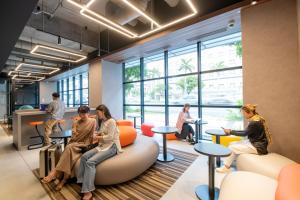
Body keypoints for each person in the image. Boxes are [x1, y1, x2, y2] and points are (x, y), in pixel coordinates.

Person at [41, 106, 96, 190]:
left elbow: (92, 135)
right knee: (69, 153)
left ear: (88, 113)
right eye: (80, 113)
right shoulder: (76, 123)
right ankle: (64, 180)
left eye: (84, 113)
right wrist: (74, 132)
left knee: (68, 148)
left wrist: (92, 147)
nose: (82, 115)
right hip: (74, 143)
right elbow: (73, 138)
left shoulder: (93, 121)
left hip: (84, 145)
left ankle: (55, 173)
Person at [77, 104, 123, 200]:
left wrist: (96, 137)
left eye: (98, 113)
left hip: (112, 146)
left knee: (90, 162)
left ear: (103, 112)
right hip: (102, 145)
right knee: (84, 157)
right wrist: (96, 133)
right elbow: (102, 132)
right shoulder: (103, 121)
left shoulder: (112, 122)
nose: (97, 115)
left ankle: (88, 191)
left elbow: (110, 137)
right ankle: (82, 181)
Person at [216, 104, 272, 173]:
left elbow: (244, 133)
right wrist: (230, 131)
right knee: (232, 143)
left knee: (232, 147)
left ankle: (226, 168)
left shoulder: (254, 123)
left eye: (244, 113)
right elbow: (245, 131)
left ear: (250, 113)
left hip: (258, 147)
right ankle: (229, 162)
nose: (243, 115)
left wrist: (230, 131)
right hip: (256, 143)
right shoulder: (257, 118)